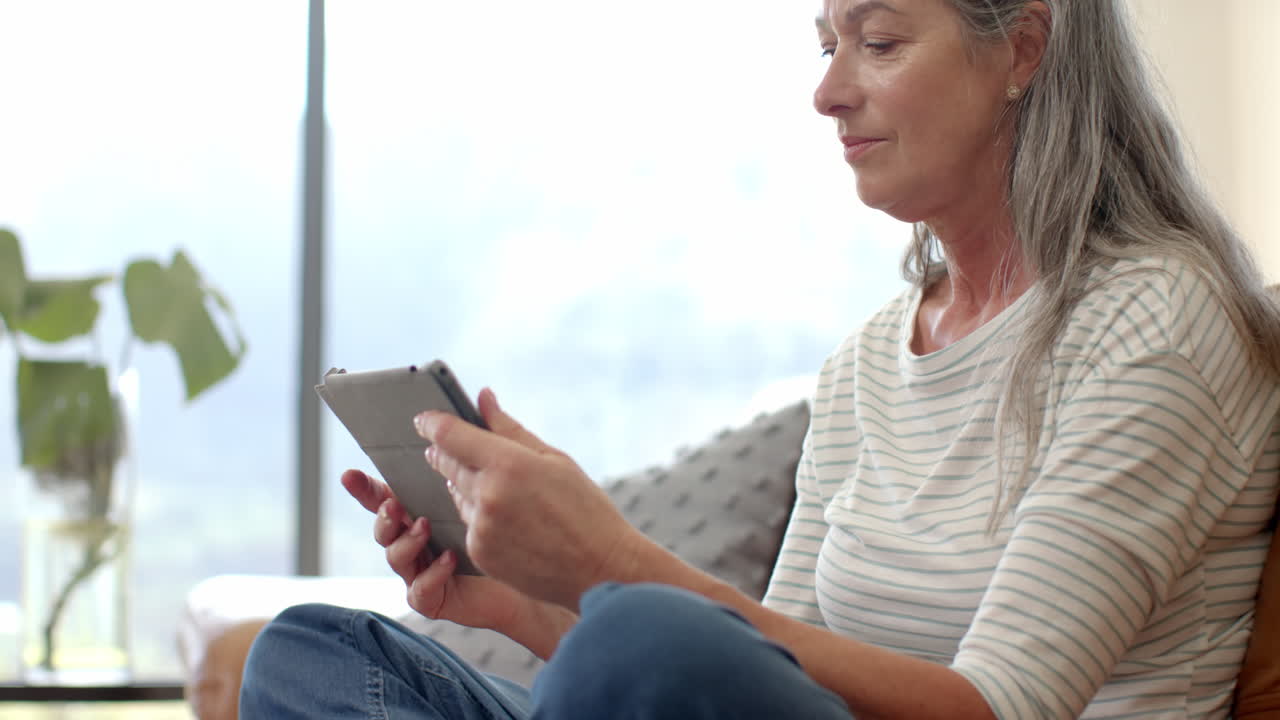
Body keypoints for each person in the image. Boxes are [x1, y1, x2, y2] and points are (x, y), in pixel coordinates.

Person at [239, 0, 1280, 718]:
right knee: (314, 656)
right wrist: (512, 598)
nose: (826, 90)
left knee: (636, 636)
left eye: (875, 40)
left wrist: (611, 565)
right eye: (823, 41)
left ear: (1021, 50)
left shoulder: (1153, 320)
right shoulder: (869, 360)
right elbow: (765, 673)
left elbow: (999, 706)